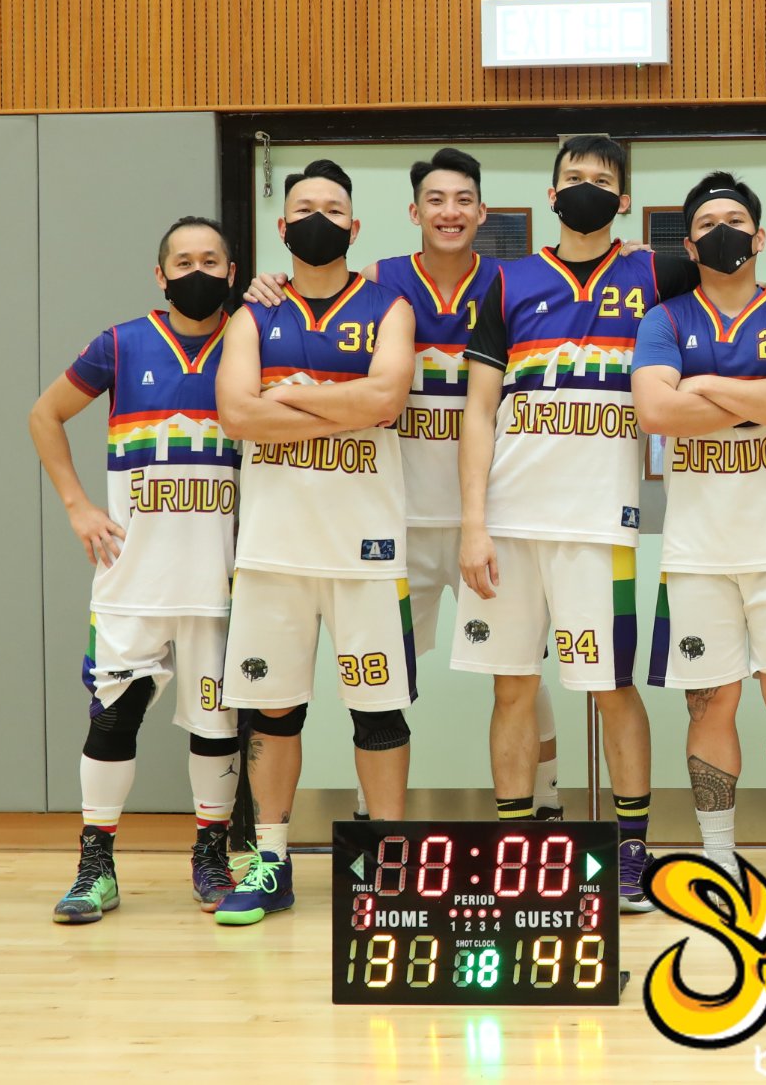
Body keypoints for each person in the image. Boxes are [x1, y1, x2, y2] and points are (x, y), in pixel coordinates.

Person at [458, 135, 766, 912]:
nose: (586, 187)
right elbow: (479, 410)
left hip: (603, 520)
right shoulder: (505, 280)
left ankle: (631, 852)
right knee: (511, 688)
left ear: (623, 199)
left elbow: (739, 275)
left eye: (601, 179)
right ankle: (519, 850)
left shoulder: (655, 273)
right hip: (510, 518)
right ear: (552, 192)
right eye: (573, 177)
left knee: (613, 686)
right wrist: (472, 522)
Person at [245, 147, 564, 823]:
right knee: (380, 685)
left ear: (482, 212)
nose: (450, 212)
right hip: (397, 520)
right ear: (414, 213)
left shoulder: (511, 285)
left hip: (489, 516)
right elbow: (314, 292)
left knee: (519, 673)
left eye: (463, 200)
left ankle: (543, 806)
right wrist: (265, 284)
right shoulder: (379, 283)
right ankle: (374, 820)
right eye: (436, 201)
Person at [631, 172, 766, 915]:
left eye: (736, 220)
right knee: (709, 705)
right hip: (697, 549)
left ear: (759, 237)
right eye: (707, 224)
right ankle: (717, 860)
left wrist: (703, 388)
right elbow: (657, 413)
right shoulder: (664, 319)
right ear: (690, 246)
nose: (723, 231)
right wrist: (760, 401)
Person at [213, 159, 416, 926]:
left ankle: (388, 864)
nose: (319, 218)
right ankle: (271, 860)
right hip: (273, 551)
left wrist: (290, 395)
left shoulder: (388, 306)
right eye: (305, 208)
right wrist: (342, 403)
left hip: (367, 550)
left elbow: (387, 398)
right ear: (282, 225)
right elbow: (237, 414)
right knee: (274, 715)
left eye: (333, 208)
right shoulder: (253, 314)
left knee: (379, 713)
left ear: (355, 227)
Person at [28, 216, 243, 922]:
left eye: (209, 259)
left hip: (222, 579)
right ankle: (95, 865)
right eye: (183, 261)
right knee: (114, 719)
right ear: (160, 275)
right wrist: (78, 506)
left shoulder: (250, 341)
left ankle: (211, 855)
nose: (196, 271)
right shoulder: (120, 344)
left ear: (231, 271)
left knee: (217, 725)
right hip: (133, 576)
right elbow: (45, 414)